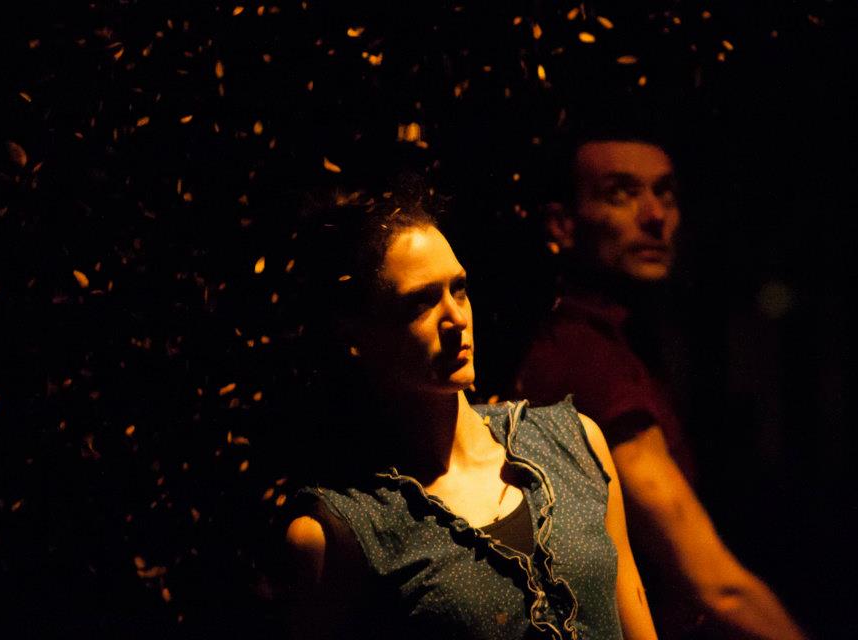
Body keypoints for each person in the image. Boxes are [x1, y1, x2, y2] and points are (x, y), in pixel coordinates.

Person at [283, 195, 656, 639]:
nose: (456, 318)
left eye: (458, 289)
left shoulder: (572, 442)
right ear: (355, 334)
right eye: (421, 303)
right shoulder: (344, 532)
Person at [513, 134, 806, 639]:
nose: (655, 216)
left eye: (665, 193)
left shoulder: (618, 339)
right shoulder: (586, 357)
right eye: (621, 194)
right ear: (562, 224)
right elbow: (716, 587)